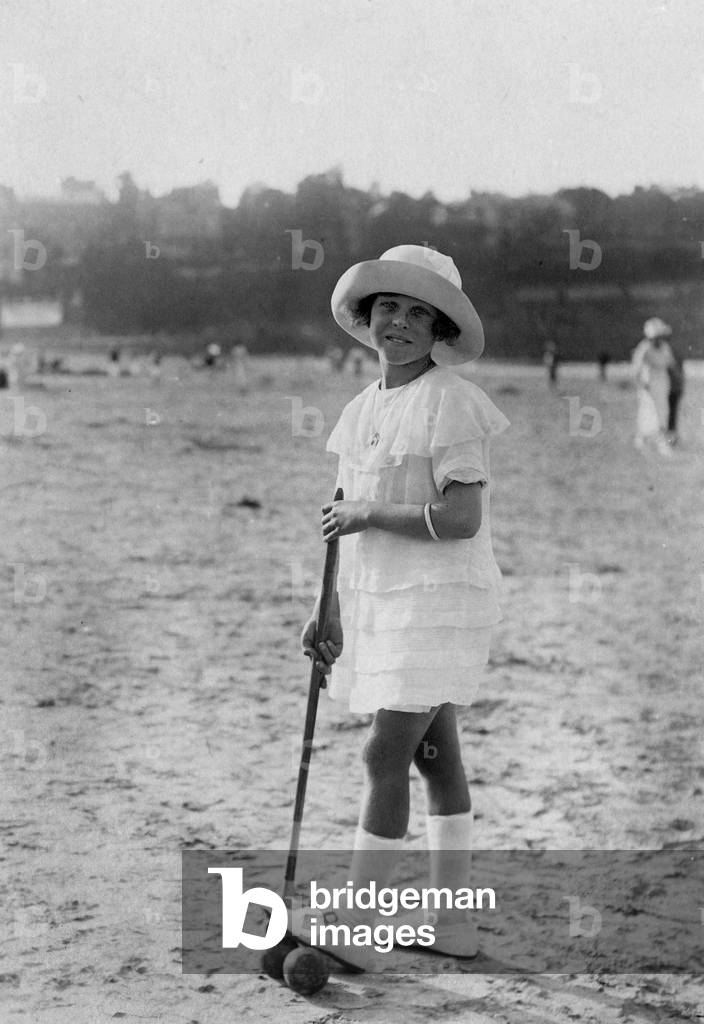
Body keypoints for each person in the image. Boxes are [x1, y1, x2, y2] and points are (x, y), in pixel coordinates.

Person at [292, 245, 509, 968]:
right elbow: (339, 522)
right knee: (434, 758)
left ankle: (355, 928)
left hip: (440, 600)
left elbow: (461, 519)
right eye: (390, 306)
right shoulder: (362, 408)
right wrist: (329, 611)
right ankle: (455, 926)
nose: (402, 322)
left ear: (441, 328)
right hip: (386, 598)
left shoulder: (451, 401)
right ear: (366, 316)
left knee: (383, 752)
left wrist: (367, 514)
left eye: (421, 312)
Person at [631, 317, 675, 456]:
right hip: (648, 383)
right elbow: (636, 368)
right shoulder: (644, 348)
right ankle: (643, 438)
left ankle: (660, 441)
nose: (657, 339)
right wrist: (641, 383)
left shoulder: (665, 347)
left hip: (662, 382)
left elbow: (670, 363)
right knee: (648, 411)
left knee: (662, 411)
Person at [667, 343, 685, 445]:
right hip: (671, 391)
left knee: (671, 415)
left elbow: (680, 381)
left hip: (673, 392)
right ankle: (670, 436)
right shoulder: (675, 368)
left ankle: (671, 437)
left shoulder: (675, 369)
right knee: (671, 415)